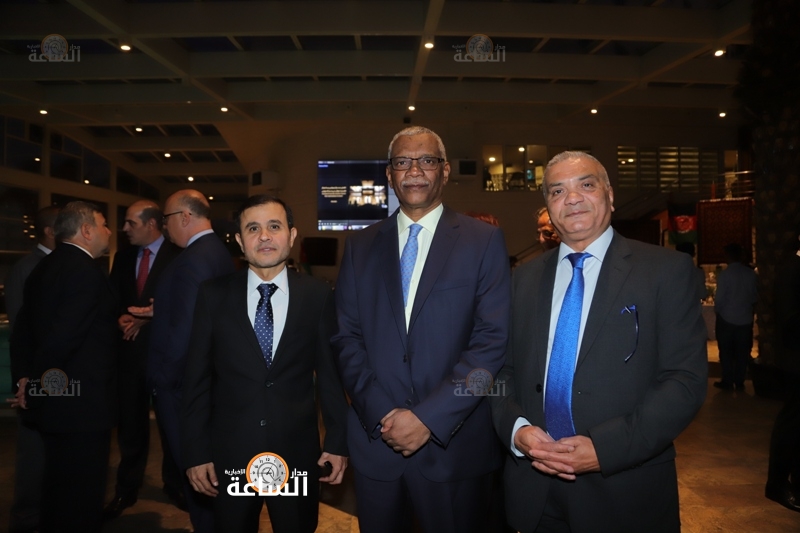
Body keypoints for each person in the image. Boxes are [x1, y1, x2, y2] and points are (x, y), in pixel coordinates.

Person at [490, 151, 707, 532]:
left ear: (609, 194)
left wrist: (605, 449)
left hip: (624, 489)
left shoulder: (666, 271)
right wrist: (516, 428)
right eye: (557, 191)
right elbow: (499, 372)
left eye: (586, 185)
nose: (572, 198)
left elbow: (684, 381)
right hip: (534, 490)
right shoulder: (522, 279)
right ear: (548, 206)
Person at [333, 126, 511, 533]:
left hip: (454, 449)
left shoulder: (483, 241)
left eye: (427, 160)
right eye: (402, 162)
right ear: (389, 174)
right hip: (377, 443)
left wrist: (428, 418)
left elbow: (491, 343)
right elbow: (346, 338)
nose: (414, 170)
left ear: (445, 171)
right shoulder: (359, 246)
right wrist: (382, 411)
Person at [182, 195, 349, 532]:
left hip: (296, 453)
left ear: (291, 234)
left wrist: (336, 442)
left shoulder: (318, 296)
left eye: (274, 226)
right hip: (230, 454)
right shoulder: (212, 295)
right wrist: (196, 453)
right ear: (240, 240)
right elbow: (196, 380)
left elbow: (331, 377)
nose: (264, 236)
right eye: (253, 229)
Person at [10, 201, 116, 533]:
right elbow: (62, 339)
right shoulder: (85, 272)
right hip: (81, 406)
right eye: (103, 223)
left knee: (57, 487)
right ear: (86, 230)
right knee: (81, 497)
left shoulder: (44, 266)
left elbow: (23, 331)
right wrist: (37, 384)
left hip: (56, 403)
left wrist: (27, 380)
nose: (109, 230)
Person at [138, 190, 235, 533]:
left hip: (182, 387)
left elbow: (187, 330)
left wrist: (162, 380)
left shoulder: (194, 258)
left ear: (184, 217)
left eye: (166, 219)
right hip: (205, 384)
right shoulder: (216, 252)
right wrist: (159, 310)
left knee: (197, 476)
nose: (164, 227)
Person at [104, 200, 183, 520]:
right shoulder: (123, 258)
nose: (124, 229)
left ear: (152, 224)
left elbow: (186, 306)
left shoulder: (179, 256)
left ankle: (175, 485)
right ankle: (127, 488)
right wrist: (120, 318)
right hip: (129, 357)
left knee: (170, 425)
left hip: (165, 357)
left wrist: (149, 318)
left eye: (130, 223)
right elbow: (113, 299)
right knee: (130, 427)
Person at [5, 205, 58, 533]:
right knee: (33, 452)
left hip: (54, 378)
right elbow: (21, 331)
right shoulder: (27, 268)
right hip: (35, 378)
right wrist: (28, 380)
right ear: (50, 231)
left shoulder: (54, 265)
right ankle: (25, 521)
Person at [765, 233, 800, 512]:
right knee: (791, 422)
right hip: (795, 360)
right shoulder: (791, 270)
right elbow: (789, 321)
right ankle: (776, 484)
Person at [713, 243, 758, 391]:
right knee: (742, 352)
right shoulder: (750, 274)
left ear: (727, 256)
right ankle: (739, 380)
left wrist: (718, 311)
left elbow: (720, 298)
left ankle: (727, 379)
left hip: (727, 317)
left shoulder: (725, 275)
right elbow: (754, 297)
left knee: (726, 351)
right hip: (745, 318)